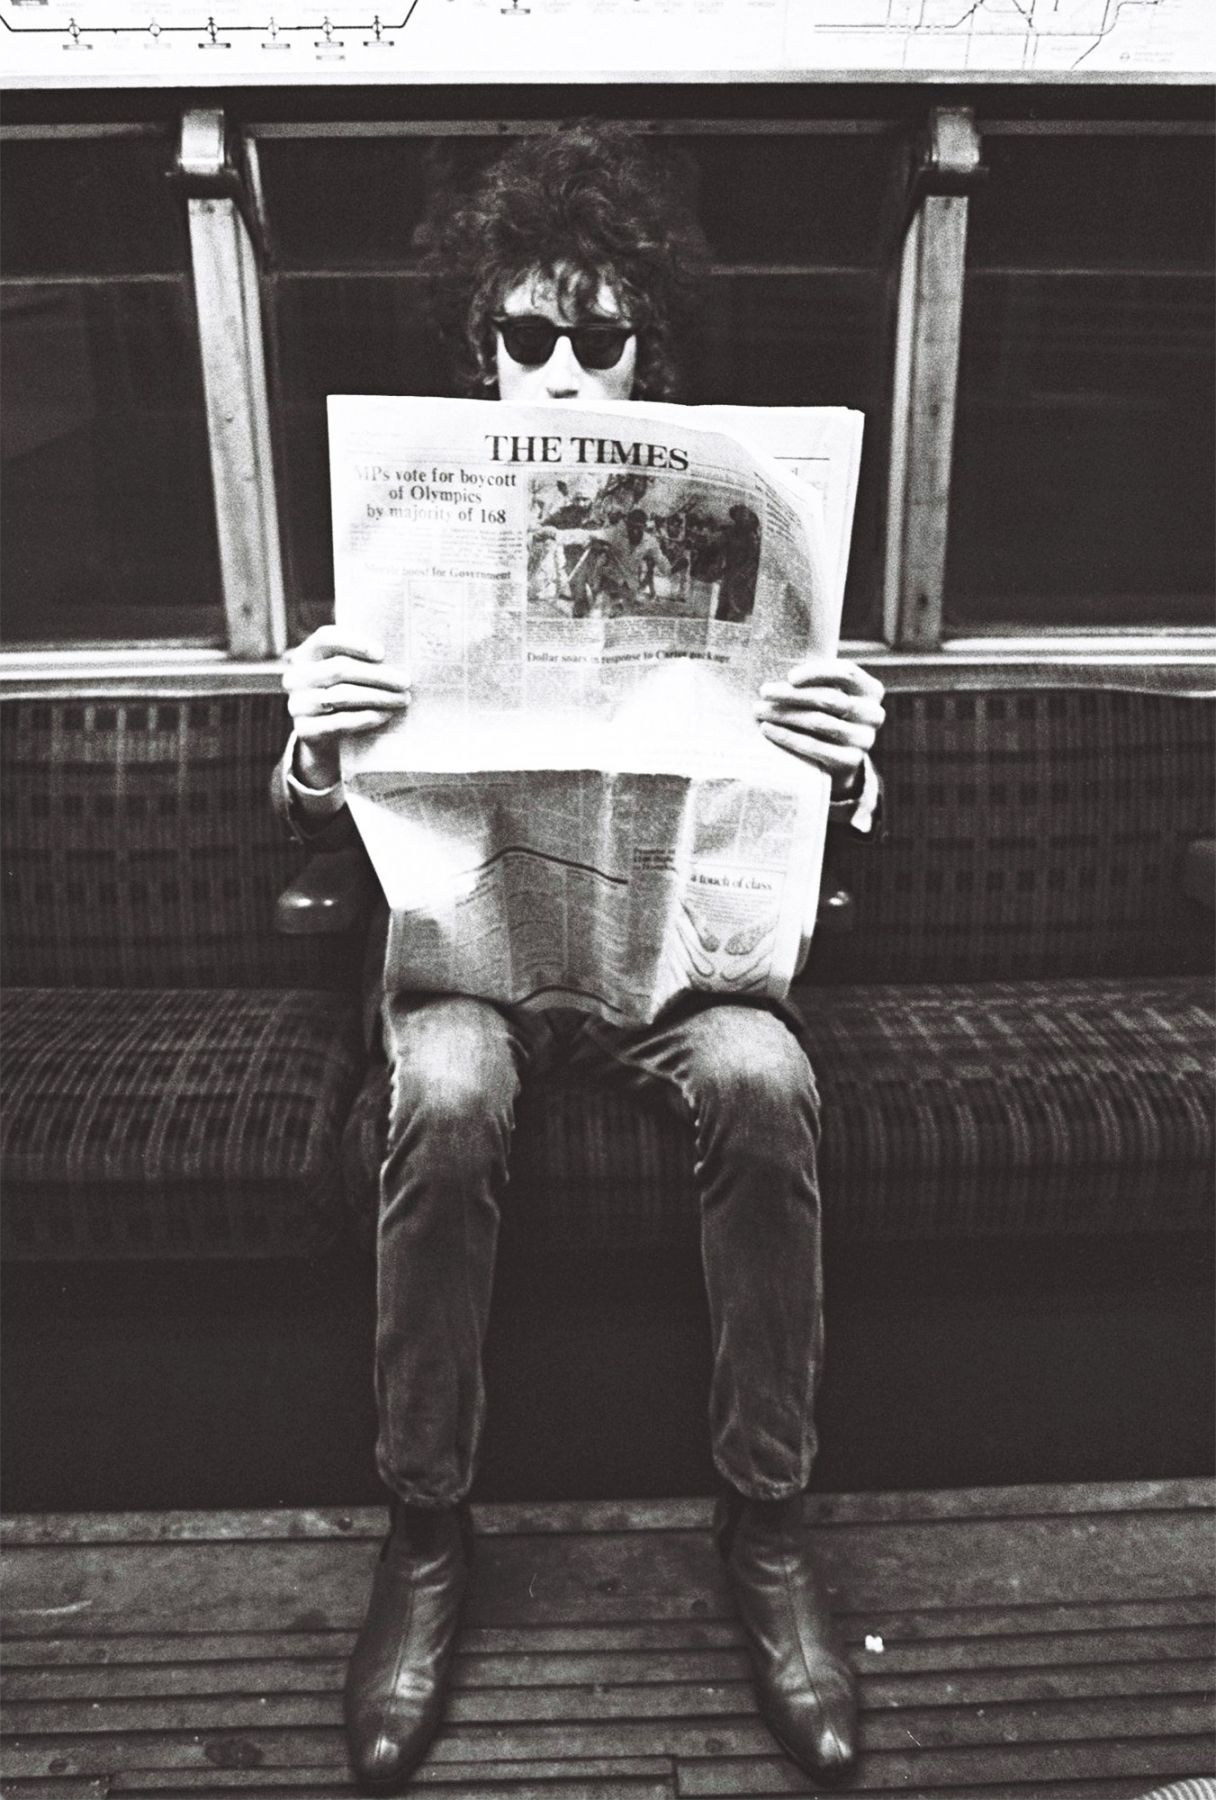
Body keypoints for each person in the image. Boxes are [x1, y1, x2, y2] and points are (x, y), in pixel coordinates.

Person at [273, 122, 885, 1794]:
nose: (559, 373)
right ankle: (425, 1531)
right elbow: (330, 795)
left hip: (673, 963)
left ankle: (765, 1527)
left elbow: (787, 774)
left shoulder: (723, 518)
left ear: (646, 355)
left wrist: (843, 753)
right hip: (479, 955)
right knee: (451, 1097)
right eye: (526, 337)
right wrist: (315, 744)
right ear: (483, 348)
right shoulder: (411, 529)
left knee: (769, 1082)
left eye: (598, 337)